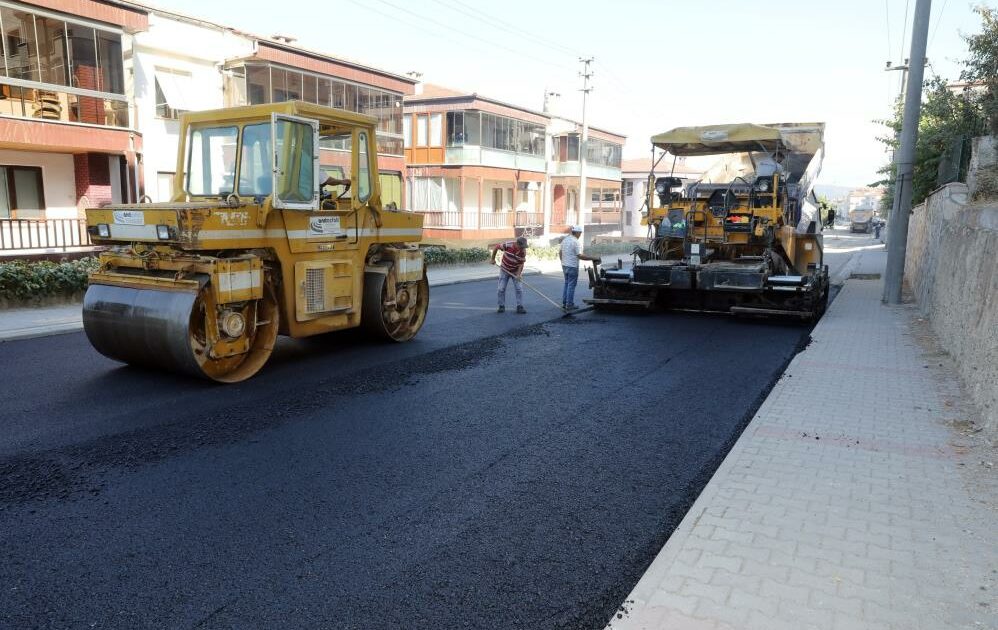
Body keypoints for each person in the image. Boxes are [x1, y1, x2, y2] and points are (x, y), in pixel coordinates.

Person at [559, 226, 600, 310]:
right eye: (580, 233)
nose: (580, 235)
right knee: (571, 285)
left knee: (567, 284)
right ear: (577, 233)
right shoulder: (575, 242)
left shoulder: (565, 240)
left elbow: (560, 252)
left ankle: (564, 303)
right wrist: (593, 258)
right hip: (572, 266)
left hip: (565, 265)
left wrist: (563, 262)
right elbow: (580, 256)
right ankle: (569, 305)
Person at [489, 236, 528, 314]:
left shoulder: (523, 252)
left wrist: (518, 274)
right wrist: (493, 259)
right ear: (517, 244)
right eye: (522, 247)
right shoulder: (508, 245)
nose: (523, 248)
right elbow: (496, 247)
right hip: (504, 269)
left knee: (519, 289)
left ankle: (519, 306)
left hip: (515, 271)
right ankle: (501, 306)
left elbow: (521, 263)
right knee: (501, 289)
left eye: (524, 247)